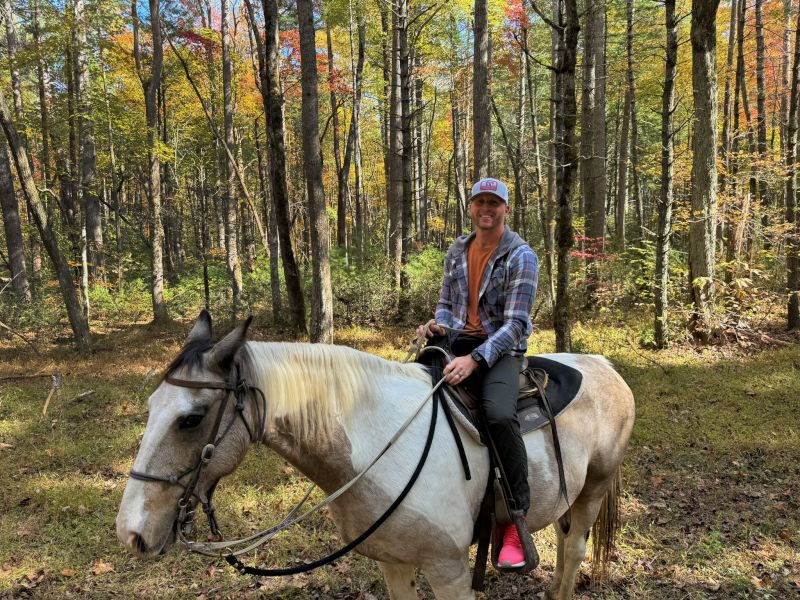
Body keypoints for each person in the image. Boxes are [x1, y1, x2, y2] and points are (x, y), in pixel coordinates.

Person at [417, 177, 539, 569]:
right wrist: (437, 325)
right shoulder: (457, 249)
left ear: (505, 209)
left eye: (494, 203)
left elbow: (516, 323)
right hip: (457, 342)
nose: (486, 209)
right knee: (413, 396)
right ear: (471, 207)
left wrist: (477, 359)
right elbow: (446, 305)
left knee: (499, 414)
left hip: (501, 350)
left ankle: (516, 518)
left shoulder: (521, 256)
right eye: (479, 202)